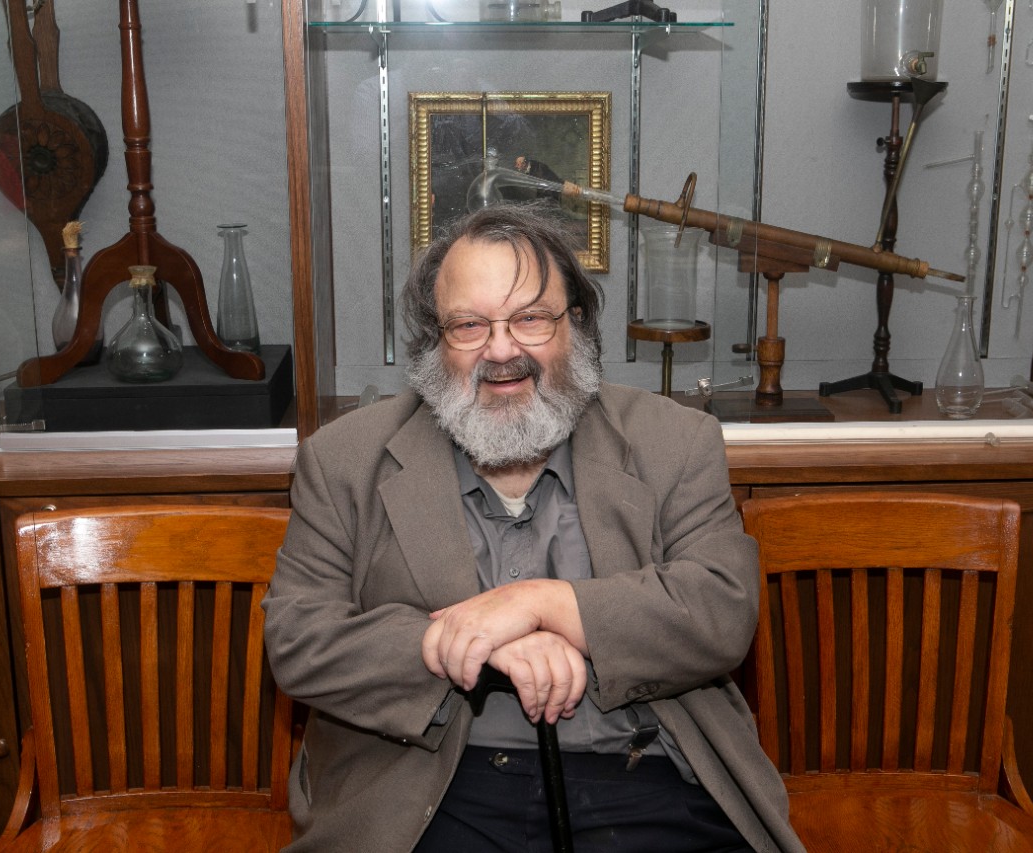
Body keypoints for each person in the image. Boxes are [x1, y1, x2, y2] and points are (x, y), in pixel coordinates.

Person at [263, 205, 804, 853]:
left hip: (648, 775)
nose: (501, 349)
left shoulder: (674, 441)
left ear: (574, 324)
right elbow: (298, 638)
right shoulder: (344, 457)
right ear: (435, 342)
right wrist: (471, 644)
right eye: (469, 325)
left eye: (530, 318)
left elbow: (722, 609)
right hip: (429, 792)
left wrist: (540, 603)